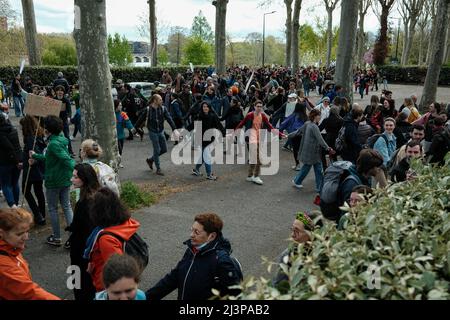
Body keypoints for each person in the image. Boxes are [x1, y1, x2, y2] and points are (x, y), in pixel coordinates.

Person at [145, 213, 241, 300]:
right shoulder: (193, 250)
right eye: (192, 230)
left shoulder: (221, 261)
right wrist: (146, 297)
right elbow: (174, 278)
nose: (191, 235)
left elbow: (235, 294)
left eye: (196, 232)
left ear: (211, 236)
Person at [83, 188, 142, 292]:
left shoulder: (106, 239)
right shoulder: (126, 223)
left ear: (97, 211)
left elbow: (118, 270)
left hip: (109, 287)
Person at [30, 116, 74, 247]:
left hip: (54, 181)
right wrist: (35, 156)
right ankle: (72, 237)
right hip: (65, 179)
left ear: (48, 129)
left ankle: (57, 237)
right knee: (66, 206)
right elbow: (50, 158)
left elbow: (66, 159)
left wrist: (77, 169)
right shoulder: (60, 140)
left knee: (53, 209)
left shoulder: (54, 144)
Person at [0, 208, 60, 300]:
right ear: (1, 233)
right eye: (19, 234)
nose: (26, 237)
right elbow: (28, 291)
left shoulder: (11, 247)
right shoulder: (4, 264)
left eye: (27, 231)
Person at [66, 163, 100, 300]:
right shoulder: (97, 194)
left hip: (82, 249)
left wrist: (72, 228)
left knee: (79, 282)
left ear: (84, 179)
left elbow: (84, 227)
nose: (71, 179)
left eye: (75, 177)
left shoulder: (84, 202)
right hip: (92, 248)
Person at [235, 100, 285, 186]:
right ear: (254, 107)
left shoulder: (263, 116)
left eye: (260, 106)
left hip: (259, 139)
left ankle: (250, 176)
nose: (259, 108)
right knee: (259, 159)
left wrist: (280, 134)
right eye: (257, 106)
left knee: (254, 158)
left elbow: (270, 126)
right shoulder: (250, 115)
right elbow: (241, 123)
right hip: (251, 139)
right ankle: (256, 176)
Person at [292, 109, 335, 201]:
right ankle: (299, 181)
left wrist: (288, 135)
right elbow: (320, 140)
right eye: (319, 115)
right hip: (313, 152)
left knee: (317, 169)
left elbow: (298, 132)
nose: (320, 117)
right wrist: (328, 148)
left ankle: (318, 187)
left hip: (308, 151)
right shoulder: (314, 127)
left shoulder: (307, 123)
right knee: (312, 168)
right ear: (315, 116)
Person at [272, 212, 319, 293]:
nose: (292, 235)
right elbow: (279, 288)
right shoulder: (287, 256)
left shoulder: (324, 257)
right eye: (292, 229)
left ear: (312, 235)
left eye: (297, 231)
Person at [19, 116, 46, 225]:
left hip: (32, 170)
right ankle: (41, 215)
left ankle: (38, 215)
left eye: (22, 127)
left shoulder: (30, 138)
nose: (21, 129)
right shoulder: (37, 135)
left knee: (26, 191)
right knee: (38, 191)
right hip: (37, 170)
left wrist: (33, 161)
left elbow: (35, 153)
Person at [145, 94, 178, 176]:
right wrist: (134, 129)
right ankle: (158, 168)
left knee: (164, 149)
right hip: (152, 131)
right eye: (160, 99)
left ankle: (150, 160)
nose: (162, 101)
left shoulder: (163, 108)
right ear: (155, 101)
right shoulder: (148, 109)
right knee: (156, 149)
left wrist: (175, 129)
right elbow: (141, 118)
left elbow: (169, 119)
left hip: (161, 131)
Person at [192, 102, 225, 181]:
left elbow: (218, 125)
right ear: (202, 108)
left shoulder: (213, 116)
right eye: (203, 107)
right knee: (207, 157)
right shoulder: (200, 116)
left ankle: (196, 169)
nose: (205, 108)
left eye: (206, 107)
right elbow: (193, 126)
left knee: (204, 156)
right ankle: (209, 174)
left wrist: (224, 133)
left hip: (210, 139)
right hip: (201, 140)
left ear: (209, 107)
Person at [0, 113, 22, 209]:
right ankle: (15, 204)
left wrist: (16, 161)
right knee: (15, 183)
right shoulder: (13, 129)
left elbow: (9, 148)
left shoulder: (0, 134)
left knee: (6, 185)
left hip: (6, 162)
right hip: (18, 160)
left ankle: (13, 206)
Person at [54, 85, 74, 156]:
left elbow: (69, 110)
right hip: (56, 121)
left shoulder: (66, 100)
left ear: (63, 92)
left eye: (61, 90)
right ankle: (57, 151)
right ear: (56, 92)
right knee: (55, 136)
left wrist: (69, 117)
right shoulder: (54, 99)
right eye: (58, 90)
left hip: (64, 120)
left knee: (66, 136)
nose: (60, 92)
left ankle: (70, 151)